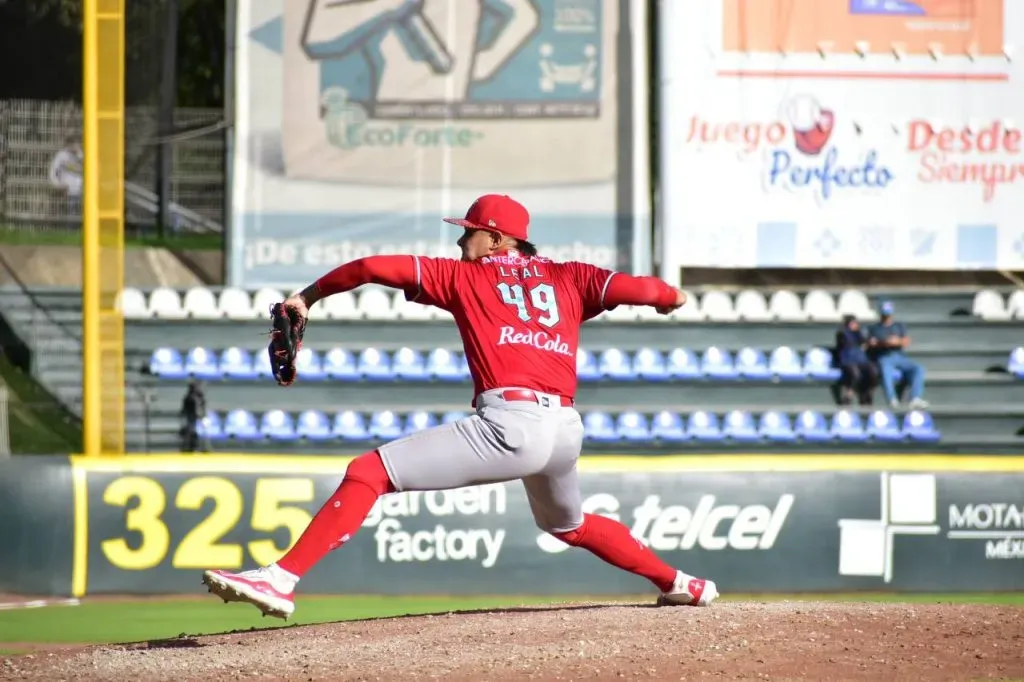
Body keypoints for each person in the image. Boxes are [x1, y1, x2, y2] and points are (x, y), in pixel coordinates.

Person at [201, 194, 718, 619]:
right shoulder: (572, 277)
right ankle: (682, 584)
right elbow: (657, 292)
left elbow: (368, 267)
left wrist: (306, 297)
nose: (459, 239)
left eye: (469, 231)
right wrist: (671, 297)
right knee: (570, 526)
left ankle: (281, 579)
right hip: (564, 428)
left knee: (369, 471)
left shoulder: (466, 276)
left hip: (512, 424)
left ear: (495, 238)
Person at [866, 300, 928, 410]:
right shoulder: (874, 328)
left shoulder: (899, 326)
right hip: (884, 356)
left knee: (918, 368)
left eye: (888, 314)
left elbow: (906, 341)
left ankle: (915, 398)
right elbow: (871, 343)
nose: (887, 317)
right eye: (885, 314)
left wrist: (897, 341)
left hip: (899, 355)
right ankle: (892, 399)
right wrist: (883, 343)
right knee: (885, 370)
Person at [834, 315, 877, 406]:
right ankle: (848, 396)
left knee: (873, 371)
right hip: (847, 360)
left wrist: (868, 343)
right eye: (853, 323)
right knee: (855, 374)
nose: (856, 325)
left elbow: (866, 342)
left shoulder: (859, 333)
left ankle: (867, 394)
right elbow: (844, 343)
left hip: (860, 360)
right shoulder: (842, 334)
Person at [179, 380, 208, 453]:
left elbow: (203, 405)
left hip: (199, 416)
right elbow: (185, 409)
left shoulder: (199, 396)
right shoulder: (188, 397)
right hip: (191, 417)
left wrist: (203, 414)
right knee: (190, 432)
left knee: (202, 431)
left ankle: (202, 447)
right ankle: (189, 447)